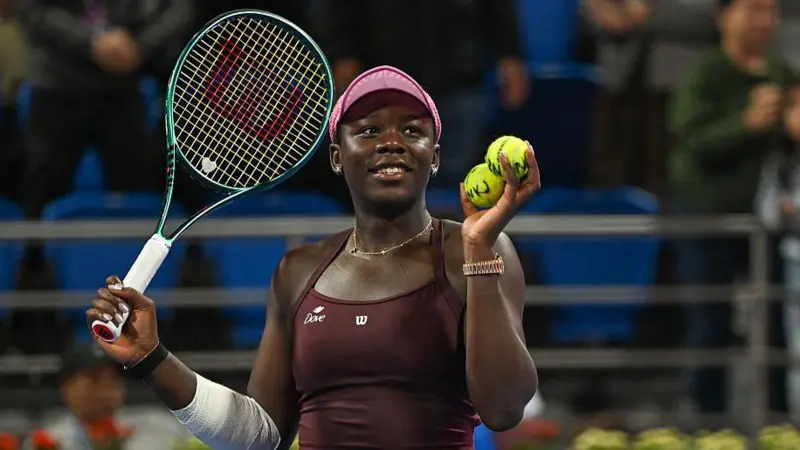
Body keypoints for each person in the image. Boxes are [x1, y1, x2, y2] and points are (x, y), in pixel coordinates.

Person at [86, 65, 540, 448]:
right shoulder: (297, 271)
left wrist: (479, 254)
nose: (392, 141)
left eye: (412, 130)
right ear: (337, 156)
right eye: (367, 130)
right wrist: (151, 357)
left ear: (434, 157)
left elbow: (503, 409)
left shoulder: (478, 249)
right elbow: (261, 434)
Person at [669, 0, 796, 414]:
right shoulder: (704, 76)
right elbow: (692, 142)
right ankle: (708, 425)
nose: (763, 20)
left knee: (779, 324)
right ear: (724, 16)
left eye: (770, 10)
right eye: (753, 9)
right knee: (710, 324)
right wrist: (746, 123)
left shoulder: (781, 72)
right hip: (709, 218)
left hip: (769, 222)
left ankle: (780, 422)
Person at [306, 0, 529, 192]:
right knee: (388, 178)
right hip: (385, 83)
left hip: (460, 79)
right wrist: (341, 53)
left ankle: (449, 240)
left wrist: (510, 54)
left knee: (455, 183)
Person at [25, 343, 187, 449]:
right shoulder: (48, 441)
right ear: (66, 387)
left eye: (114, 378)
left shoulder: (161, 428)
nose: (107, 388)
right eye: (95, 379)